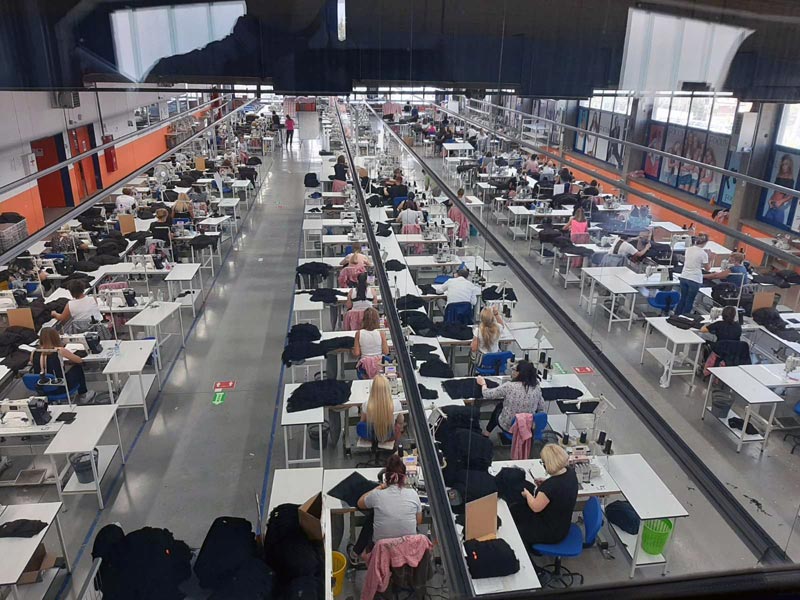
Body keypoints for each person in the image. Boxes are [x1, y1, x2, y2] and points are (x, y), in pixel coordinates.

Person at [353, 454, 422, 559]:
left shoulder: (377, 495)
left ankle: (356, 553)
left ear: (386, 476)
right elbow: (419, 521)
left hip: (382, 553)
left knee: (372, 518)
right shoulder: (413, 494)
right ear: (404, 477)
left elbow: (360, 503)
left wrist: (381, 487)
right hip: (407, 552)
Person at [515, 444, 579, 546]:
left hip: (550, 532)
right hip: (562, 525)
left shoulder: (550, 487)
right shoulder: (570, 473)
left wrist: (527, 494)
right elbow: (560, 488)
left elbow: (535, 507)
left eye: (543, 462)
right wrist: (545, 482)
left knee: (516, 530)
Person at [477, 360, 545, 436]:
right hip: (527, 427)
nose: (512, 371)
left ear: (519, 373)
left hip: (509, 427)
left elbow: (487, 394)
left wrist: (483, 383)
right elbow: (541, 407)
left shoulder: (509, 386)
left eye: (514, 369)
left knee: (498, 408)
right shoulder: (536, 387)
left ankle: (487, 433)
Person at [30, 327, 95, 403]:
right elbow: (79, 360)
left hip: (42, 389)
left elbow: (35, 363)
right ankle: (83, 395)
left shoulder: (34, 352)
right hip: (60, 387)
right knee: (77, 367)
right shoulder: (59, 350)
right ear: (55, 337)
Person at [356, 374, 404, 444]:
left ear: (372, 388)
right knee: (399, 425)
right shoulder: (396, 404)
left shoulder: (366, 404)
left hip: (370, 436)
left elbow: (362, 421)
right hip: (389, 436)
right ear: (388, 388)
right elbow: (400, 420)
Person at [674, 233, 709, 316]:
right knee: (689, 300)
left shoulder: (688, 249)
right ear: (705, 242)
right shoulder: (703, 254)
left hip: (684, 276)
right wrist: (710, 258)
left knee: (683, 298)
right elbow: (707, 268)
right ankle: (685, 318)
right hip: (694, 278)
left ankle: (676, 316)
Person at [353, 307, 389, 379]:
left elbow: (356, 353)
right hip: (379, 364)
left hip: (365, 364)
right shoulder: (381, 333)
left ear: (363, 319)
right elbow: (386, 351)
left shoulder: (359, 333)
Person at [764, 154, 796, 226]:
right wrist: (770, 200)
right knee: (765, 225)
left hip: (779, 207)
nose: (784, 166)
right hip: (772, 204)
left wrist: (780, 201)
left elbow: (792, 195)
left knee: (776, 227)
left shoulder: (790, 177)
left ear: (789, 165)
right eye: (783, 164)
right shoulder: (779, 175)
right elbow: (776, 191)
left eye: (786, 164)